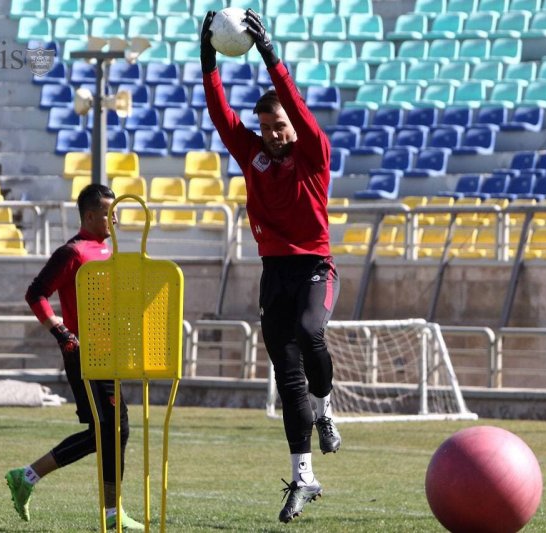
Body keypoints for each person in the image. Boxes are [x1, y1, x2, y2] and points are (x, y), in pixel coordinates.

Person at [201, 9, 342, 524]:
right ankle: (304, 478)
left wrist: (270, 56)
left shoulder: (313, 154)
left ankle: (326, 409)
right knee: (287, 379)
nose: (272, 134)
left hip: (315, 269)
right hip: (274, 274)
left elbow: (297, 106)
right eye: (265, 127)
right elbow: (220, 114)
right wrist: (208, 59)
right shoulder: (252, 154)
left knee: (310, 331)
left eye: (278, 125)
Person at [5, 183, 143, 531]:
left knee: (112, 431)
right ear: (91, 215)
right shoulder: (73, 252)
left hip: (109, 353)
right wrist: (60, 331)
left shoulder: (109, 251)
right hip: (84, 353)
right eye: (110, 213)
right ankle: (108, 511)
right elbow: (36, 293)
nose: (116, 219)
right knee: (109, 430)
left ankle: (30, 477)